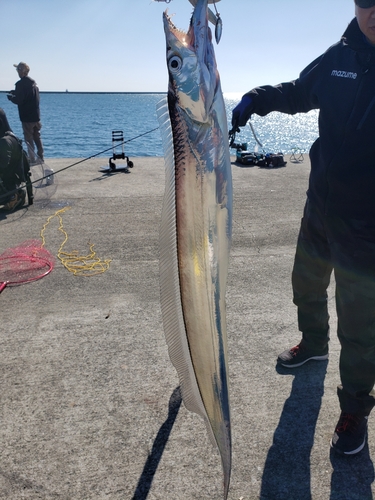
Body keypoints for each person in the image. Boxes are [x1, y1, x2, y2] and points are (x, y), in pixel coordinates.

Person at [231, 0, 375, 456]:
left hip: (366, 222)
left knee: (359, 323)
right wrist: (258, 97)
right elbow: (297, 92)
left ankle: (354, 408)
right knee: (305, 283)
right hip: (321, 206)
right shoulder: (338, 57)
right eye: (366, 0)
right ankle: (312, 343)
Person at [7, 62, 44, 162]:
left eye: (17, 70)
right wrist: (15, 93)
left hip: (27, 117)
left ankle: (31, 159)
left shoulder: (20, 84)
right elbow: (28, 97)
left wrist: (11, 98)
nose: (17, 72)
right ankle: (40, 157)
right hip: (36, 116)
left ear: (21, 71)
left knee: (28, 138)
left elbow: (20, 100)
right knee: (37, 136)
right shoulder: (34, 84)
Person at [0, 108, 30, 211]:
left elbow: (2, 165)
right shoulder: (9, 136)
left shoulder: (5, 141)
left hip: (9, 184)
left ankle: (15, 196)